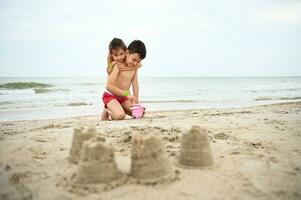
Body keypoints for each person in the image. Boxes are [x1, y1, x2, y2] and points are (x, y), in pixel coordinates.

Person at [101, 40, 146, 120]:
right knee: (120, 116)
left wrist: (136, 103)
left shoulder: (134, 67)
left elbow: (135, 84)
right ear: (127, 53)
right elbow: (109, 86)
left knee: (139, 114)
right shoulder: (118, 65)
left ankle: (119, 107)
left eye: (138, 61)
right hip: (111, 96)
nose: (135, 63)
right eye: (133, 60)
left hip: (123, 98)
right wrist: (126, 93)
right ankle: (107, 110)